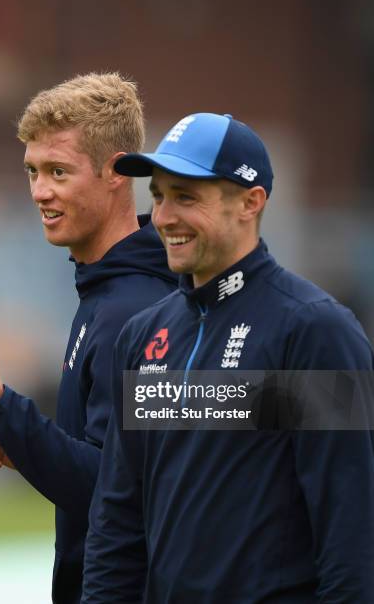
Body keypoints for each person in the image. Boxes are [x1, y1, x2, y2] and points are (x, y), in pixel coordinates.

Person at [82, 113, 374, 602]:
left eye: (186, 197)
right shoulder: (144, 335)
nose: (164, 217)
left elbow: (352, 536)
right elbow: (117, 524)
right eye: (158, 195)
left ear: (250, 202)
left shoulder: (314, 331)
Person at [0, 72, 177, 604]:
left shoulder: (131, 310)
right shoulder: (107, 293)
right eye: (33, 171)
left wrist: (0, 409)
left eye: (59, 172)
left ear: (116, 173)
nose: (41, 191)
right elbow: (103, 461)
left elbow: (116, 492)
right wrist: (25, 444)